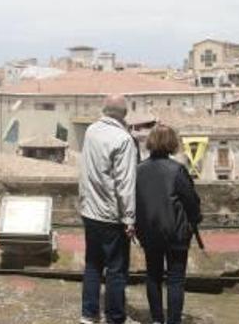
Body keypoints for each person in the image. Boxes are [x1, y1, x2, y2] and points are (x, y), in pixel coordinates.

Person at [79, 94, 140, 324]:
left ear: (104, 110)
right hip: (111, 215)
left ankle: (88, 313)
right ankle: (115, 316)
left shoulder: (91, 131)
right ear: (124, 115)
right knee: (116, 269)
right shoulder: (123, 140)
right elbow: (125, 184)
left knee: (93, 264)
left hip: (90, 211)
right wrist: (129, 219)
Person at [135, 125, 202, 324]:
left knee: (153, 276)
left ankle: (157, 319)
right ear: (172, 143)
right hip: (176, 232)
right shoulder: (177, 170)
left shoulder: (139, 170)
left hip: (149, 231)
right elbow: (191, 201)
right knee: (175, 279)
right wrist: (194, 222)